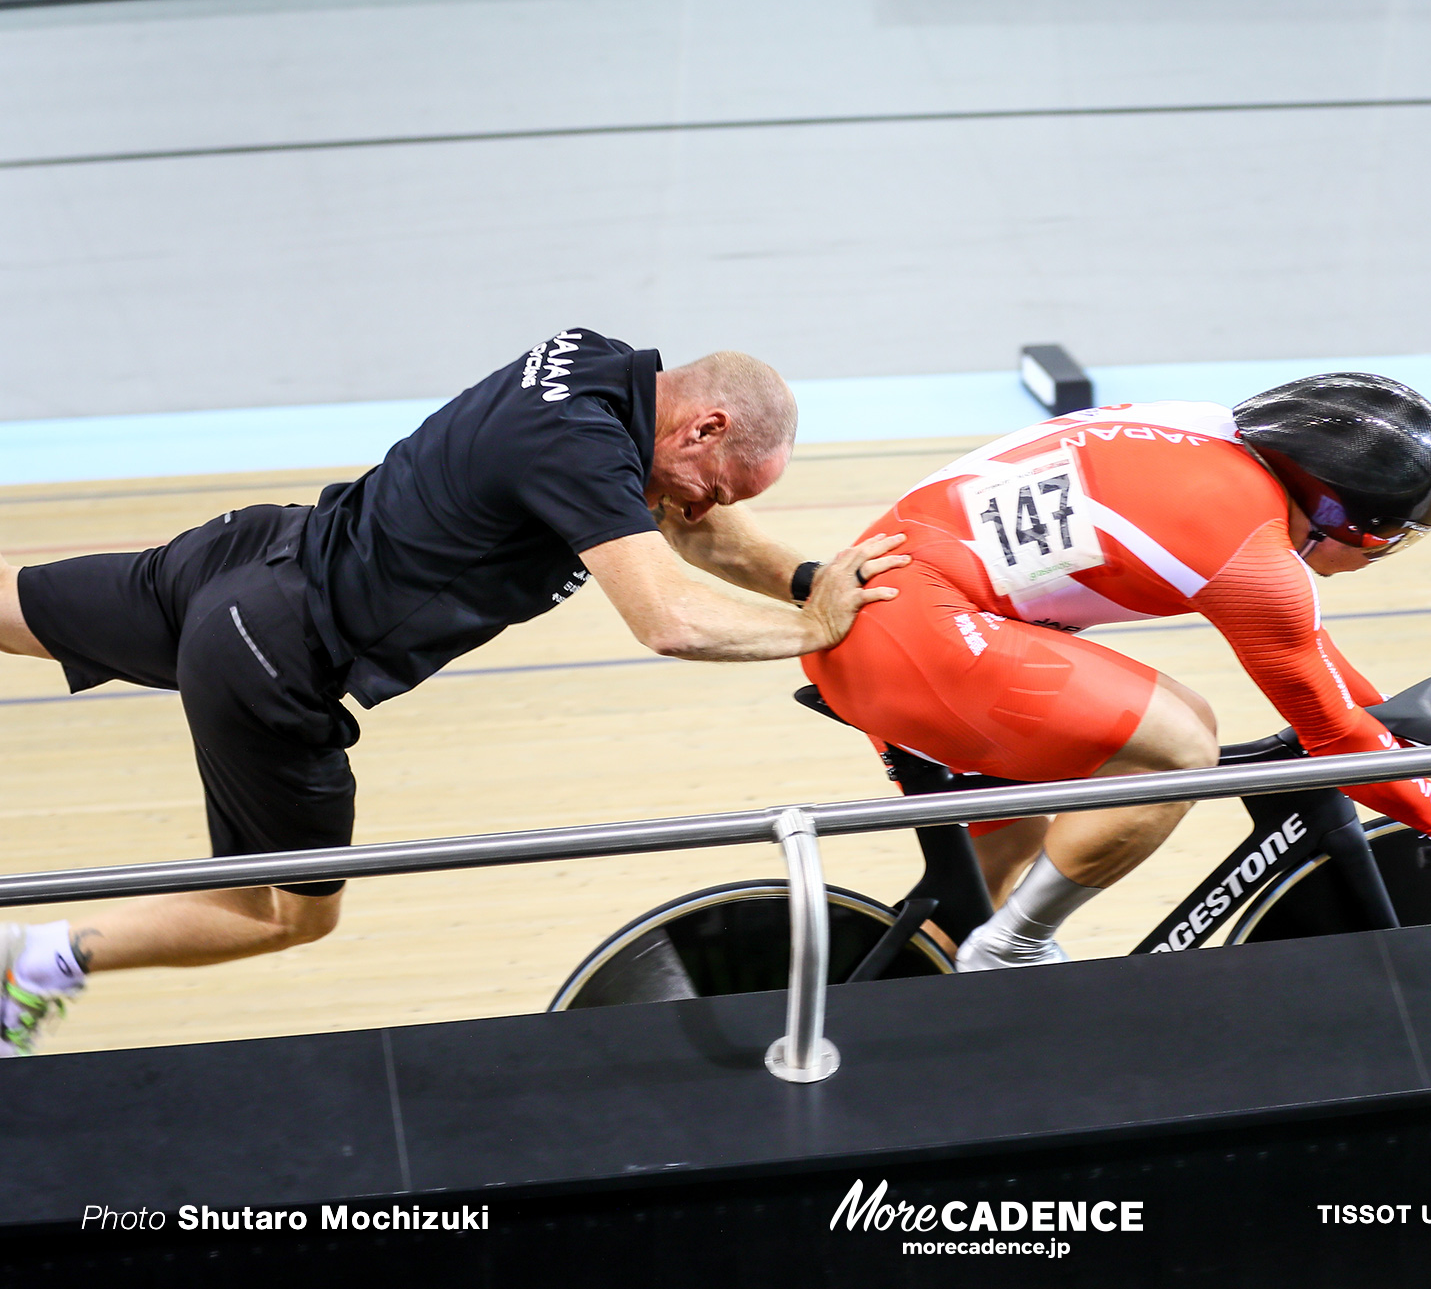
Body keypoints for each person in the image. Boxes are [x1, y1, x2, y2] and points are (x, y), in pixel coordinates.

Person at [0, 329, 906, 1054]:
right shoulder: (583, 450)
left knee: (16, 607)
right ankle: (33, 968)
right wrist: (813, 632)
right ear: (702, 426)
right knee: (281, 913)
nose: (703, 507)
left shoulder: (598, 371)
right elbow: (667, 618)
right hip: (272, 653)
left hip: (244, 553)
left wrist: (809, 578)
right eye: (716, 484)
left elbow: (693, 533)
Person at [801, 373, 1431, 971]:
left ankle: (912, 994)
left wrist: (1383, 731)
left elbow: (1316, 670)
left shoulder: (1208, 436)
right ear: (1346, 517)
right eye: (1387, 541)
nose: (1377, 557)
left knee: (984, 880)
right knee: (1181, 746)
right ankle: (1013, 952)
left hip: (891, 614)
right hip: (919, 631)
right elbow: (1328, 730)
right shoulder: (1249, 553)